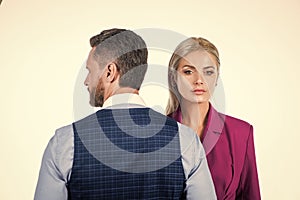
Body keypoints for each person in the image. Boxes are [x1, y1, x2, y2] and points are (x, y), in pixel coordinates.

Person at [34, 28, 217, 200]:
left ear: (110, 72)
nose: (86, 81)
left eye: (90, 71)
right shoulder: (186, 140)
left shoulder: (65, 142)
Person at [166, 37, 261, 200]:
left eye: (208, 72)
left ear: (217, 79)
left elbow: (250, 195)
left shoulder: (241, 133)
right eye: (188, 71)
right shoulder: (157, 132)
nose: (199, 80)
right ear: (174, 78)